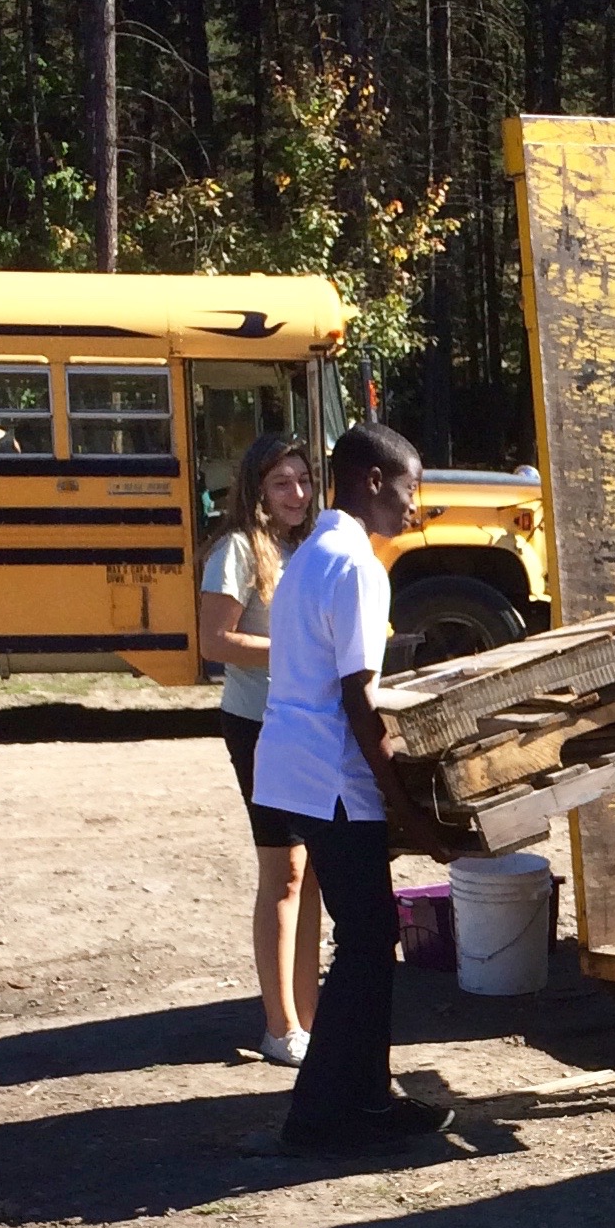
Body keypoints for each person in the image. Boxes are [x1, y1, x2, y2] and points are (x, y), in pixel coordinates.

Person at [252, 423, 460, 1156]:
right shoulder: (358, 565)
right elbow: (358, 699)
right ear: (373, 481)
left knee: (367, 940)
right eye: (409, 489)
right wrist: (409, 811)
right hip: (333, 780)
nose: (415, 506)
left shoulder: (313, 553)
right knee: (369, 941)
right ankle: (319, 1116)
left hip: (296, 771)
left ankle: (366, 1100)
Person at [198, 433, 321, 1068]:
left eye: (302, 479)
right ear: (256, 490)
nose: (296, 493)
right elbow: (215, 641)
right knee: (285, 872)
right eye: (281, 483)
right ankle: (280, 1027)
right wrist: (295, 654)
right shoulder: (237, 549)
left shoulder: (312, 544)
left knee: (318, 871)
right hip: (258, 725)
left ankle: (311, 1017)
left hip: (312, 725)